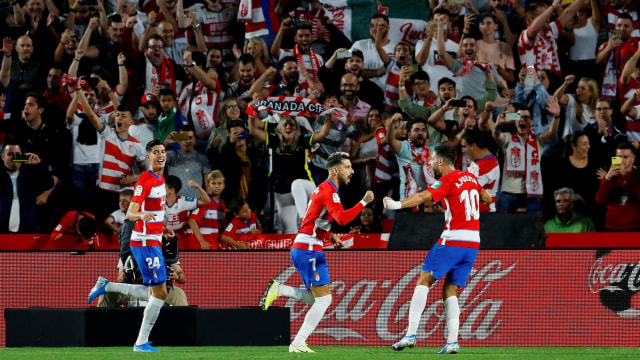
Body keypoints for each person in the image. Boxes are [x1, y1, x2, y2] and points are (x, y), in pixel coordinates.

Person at [259, 152, 374, 353]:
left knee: (317, 298)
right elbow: (342, 219)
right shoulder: (330, 191)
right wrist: (363, 202)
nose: (352, 171)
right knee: (324, 300)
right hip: (308, 249)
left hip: (309, 247)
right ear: (335, 170)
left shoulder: (325, 189)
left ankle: (281, 290)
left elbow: (314, 219)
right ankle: (297, 343)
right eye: (348, 167)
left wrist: (329, 236)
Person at [383, 145, 491, 354]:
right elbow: (486, 198)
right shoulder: (470, 178)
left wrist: (395, 205)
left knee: (424, 280)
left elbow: (424, 196)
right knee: (450, 290)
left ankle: (410, 334)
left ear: (441, 161)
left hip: (453, 239)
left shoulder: (447, 180)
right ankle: (452, 342)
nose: (430, 163)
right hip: (473, 243)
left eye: (432, 159)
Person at [88, 139, 169, 352]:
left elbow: (157, 211)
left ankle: (108, 286)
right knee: (160, 293)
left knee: (157, 292)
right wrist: (142, 214)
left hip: (153, 239)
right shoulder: (145, 180)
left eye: (163, 151)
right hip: (144, 242)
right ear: (148, 157)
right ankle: (140, 342)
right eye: (156, 152)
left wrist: (162, 228)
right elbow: (132, 212)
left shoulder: (160, 179)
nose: (161, 155)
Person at [91, 219, 188, 308]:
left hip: (159, 288)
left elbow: (182, 277)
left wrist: (176, 276)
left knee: (179, 294)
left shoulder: (165, 252)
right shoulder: (128, 254)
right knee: (107, 294)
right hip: (133, 288)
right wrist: (123, 277)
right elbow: (120, 278)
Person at [0, 142, 53, 233]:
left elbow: (48, 184)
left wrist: (39, 164)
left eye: (17, 155)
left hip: (27, 228)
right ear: (2, 156)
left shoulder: (30, 174)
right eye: (10, 154)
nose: (14, 157)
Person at [595, 142, 640, 231]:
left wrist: (626, 175)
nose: (622, 160)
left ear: (633, 159)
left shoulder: (638, 175)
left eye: (625, 157)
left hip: (634, 227)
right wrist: (606, 179)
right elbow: (599, 200)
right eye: (619, 157)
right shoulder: (611, 175)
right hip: (612, 226)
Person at [188, 170, 226, 249]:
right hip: (206, 243)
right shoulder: (205, 201)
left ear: (224, 185)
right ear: (208, 185)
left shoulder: (223, 204)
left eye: (219, 183)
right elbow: (191, 220)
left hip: (216, 243)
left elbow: (222, 227)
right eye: (213, 183)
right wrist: (201, 240)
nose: (216, 186)